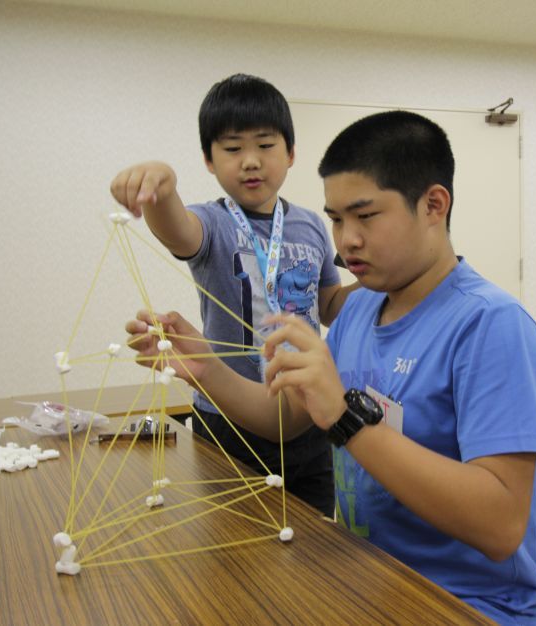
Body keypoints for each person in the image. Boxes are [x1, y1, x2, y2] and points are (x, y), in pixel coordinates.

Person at [126, 111, 536, 624]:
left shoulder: (491, 325)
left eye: (365, 216)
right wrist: (208, 369)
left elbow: (502, 525)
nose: (345, 240)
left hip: (466, 606)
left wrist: (347, 420)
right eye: (335, 219)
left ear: (434, 205)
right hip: (366, 580)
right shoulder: (358, 311)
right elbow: (285, 421)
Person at [110, 74, 356, 517]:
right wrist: (161, 190)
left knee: (317, 542)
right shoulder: (213, 222)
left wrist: (387, 286)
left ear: (291, 153)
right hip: (229, 419)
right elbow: (177, 230)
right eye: (231, 148)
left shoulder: (312, 224)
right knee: (235, 549)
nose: (250, 161)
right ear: (208, 160)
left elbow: (330, 305)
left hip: (309, 415)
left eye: (265, 145)